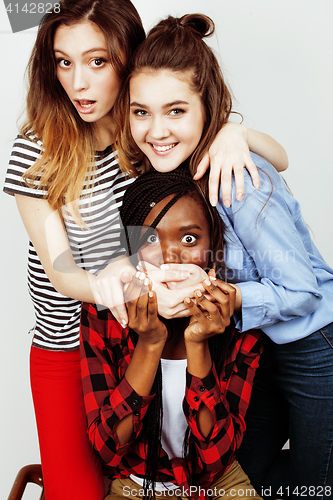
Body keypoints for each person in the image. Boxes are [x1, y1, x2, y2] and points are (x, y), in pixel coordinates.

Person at [3, 1, 288, 498]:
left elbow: (278, 160)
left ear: (127, 59)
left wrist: (233, 131)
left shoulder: (150, 136)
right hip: (70, 347)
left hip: (146, 343)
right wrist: (124, 275)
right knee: (79, 492)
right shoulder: (37, 147)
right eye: (63, 61)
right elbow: (62, 275)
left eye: (97, 61)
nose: (78, 83)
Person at [114, 13, 333, 498]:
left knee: (314, 486)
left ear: (205, 109)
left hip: (314, 347)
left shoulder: (239, 183)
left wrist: (223, 295)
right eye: (141, 112)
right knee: (238, 478)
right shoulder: (168, 175)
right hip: (252, 349)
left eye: (176, 111)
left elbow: (301, 292)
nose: (156, 130)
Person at [80, 166, 263, 500]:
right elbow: (108, 449)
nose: (169, 256)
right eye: (150, 238)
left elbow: (216, 457)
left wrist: (198, 343)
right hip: (134, 487)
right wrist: (149, 344)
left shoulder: (239, 322)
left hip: (217, 484)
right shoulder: (104, 315)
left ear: (214, 245)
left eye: (189, 238)